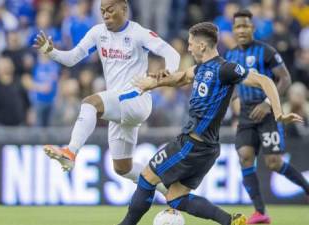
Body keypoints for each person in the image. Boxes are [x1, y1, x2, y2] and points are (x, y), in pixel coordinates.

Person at [117, 22, 303, 225]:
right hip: (207, 149)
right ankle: (230, 221)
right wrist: (154, 82)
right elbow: (180, 78)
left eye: (190, 44)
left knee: (146, 177)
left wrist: (277, 113)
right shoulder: (201, 69)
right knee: (176, 198)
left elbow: (265, 81)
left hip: (191, 144)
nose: (188, 48)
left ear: (202, 46)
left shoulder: (225, 69)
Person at [33, 0, 180, 195]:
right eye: (102, 11)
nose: (106, 14)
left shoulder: (138, 33)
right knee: (122, 168)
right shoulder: (97, 33)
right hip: (118, 106)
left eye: (110, 10)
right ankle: (169, 190)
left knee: (90, 103)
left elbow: (172, 53)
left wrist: (168, 72)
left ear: (124, 8)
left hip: (137, 99)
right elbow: (72, 58)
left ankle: (70, 151)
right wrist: (50, 52)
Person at [225, 10, 309, 224]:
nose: (242, 30)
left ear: (253, 28)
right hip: (245, 114)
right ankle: (261, 212)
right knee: (244, 156)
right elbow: (232, 87)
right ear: (233, 30)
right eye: (237, 27)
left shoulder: (266, 51)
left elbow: (285, 78)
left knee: (273, 162)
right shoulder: (230, 56)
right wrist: (234, 107)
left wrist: (268, 102)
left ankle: (307, 189)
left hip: (268, 112)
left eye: (245, 26)